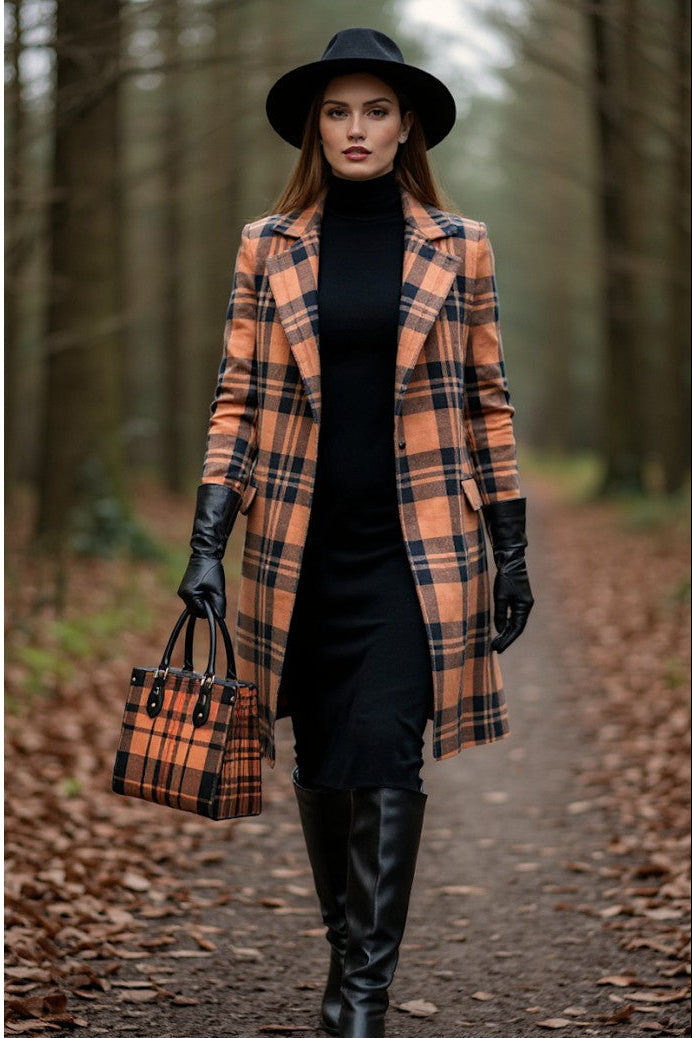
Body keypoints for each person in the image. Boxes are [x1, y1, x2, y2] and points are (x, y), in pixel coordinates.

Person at [178, 27, 534, 1038]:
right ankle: (348, 960)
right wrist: (208, 540)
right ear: (313, 128)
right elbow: (235, 397)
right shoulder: (269, 244)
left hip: (417, 550)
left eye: (375, 110)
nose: (356, 128)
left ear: (406, 122)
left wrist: (509, 548)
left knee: (383, 753)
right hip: (294, 549)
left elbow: (487, 400)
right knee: (323, 763)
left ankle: (361, 1003)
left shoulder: (456, 244)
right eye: (338, 112)